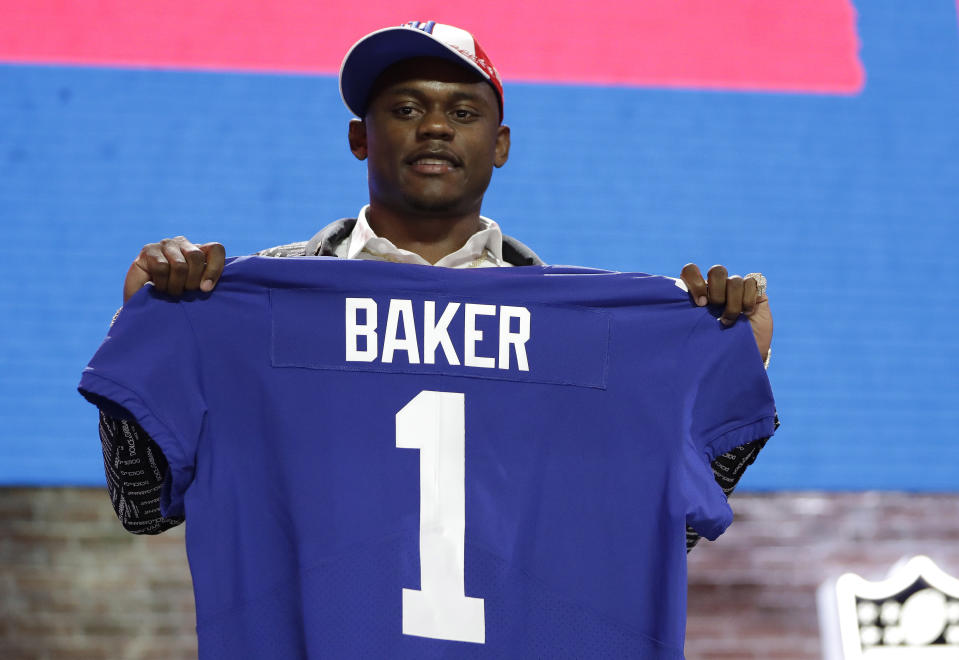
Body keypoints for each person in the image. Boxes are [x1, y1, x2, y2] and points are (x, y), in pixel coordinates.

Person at [98, 21, 774, 555]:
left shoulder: (579, 333)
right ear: (360, 137)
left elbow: (659, 534)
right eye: (405, 106)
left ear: (501, 144)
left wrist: (734, 366)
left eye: (462, 110)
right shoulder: (248, 303)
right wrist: (145, 336)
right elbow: (142, 507)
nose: (434, 126)